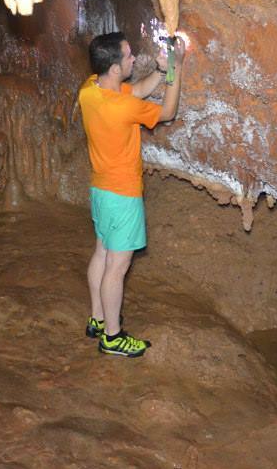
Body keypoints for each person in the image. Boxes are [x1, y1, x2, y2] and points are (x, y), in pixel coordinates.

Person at [77, 31, 186, 357]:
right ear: (113, 68)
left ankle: (97, 318)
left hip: (100, 190)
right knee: (118, 266)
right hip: (122, 194)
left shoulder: (89, 90)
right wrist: (175, 71)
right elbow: (167, 111)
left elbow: (136, 89)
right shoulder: (121, 108)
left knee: (102, 253)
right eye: (128, 57)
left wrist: (161, 69)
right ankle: (112, 337)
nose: (134, 59)